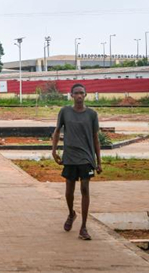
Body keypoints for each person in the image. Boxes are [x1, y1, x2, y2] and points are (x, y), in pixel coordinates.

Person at [51, 83, 102, 241]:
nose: (79, 95)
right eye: (76, 93)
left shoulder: (92, 114)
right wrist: (54, 151)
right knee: (69, 190)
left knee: (85, 188)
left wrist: (99, 161)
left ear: (85, 95)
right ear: (71, 95)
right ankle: (71, 213)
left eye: (81, 93)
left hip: (86, 158)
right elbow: (57, 131)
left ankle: (84, 227)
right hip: (70, 157)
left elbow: (95, 138)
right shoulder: (65, 112)